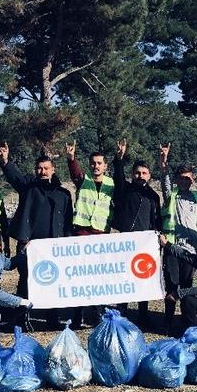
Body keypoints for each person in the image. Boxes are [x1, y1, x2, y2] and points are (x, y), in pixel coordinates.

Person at [0, 142, 73, 326]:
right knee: (25, 281)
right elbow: (14, 177)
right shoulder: (28, 188)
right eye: (39, 168)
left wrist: (67, 243)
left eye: (46, 168)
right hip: (29, 244)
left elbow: (68, 222)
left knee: (53, 281)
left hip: (54, 246)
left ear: (53, 169)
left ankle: (52, 318)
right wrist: (6, 161)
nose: (42, 171)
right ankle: (22, 318)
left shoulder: (63, 194)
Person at [111, 138, 161, 327]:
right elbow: (117, 176)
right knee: (124, 277)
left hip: (145, 243)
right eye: (137, 173)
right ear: (132, 175)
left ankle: (143, 314)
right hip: (126, 240)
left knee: (143, 279)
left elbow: (156, 220)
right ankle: (121, 311)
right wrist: (119, 158)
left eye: (144, 173)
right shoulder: (125, 190)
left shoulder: (154, 196)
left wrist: (157, 239)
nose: (140, 175)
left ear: (149, 175)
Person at [65, 140, 115, 327]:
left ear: (105, 166)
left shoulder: (112, 184)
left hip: (101, 234)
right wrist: (71, 158)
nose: (96, 166)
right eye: (93, 163)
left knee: (99, 277)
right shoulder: (83, 180)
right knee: (81, 276)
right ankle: (77, 316)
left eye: (99, 163)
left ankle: (98, 314)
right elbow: (75, 172)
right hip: (82, 233)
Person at [159, 143, 197, 335]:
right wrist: (164, 162)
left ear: (192, 179)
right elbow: (164, 181)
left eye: (188, 178)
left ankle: (186, 322)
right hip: (171, 247)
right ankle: (168, 322)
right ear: (177, 180)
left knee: (187, 287)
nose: (185, 181)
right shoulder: (172, 195)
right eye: (181, 178)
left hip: (191, 250)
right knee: (172, 284)